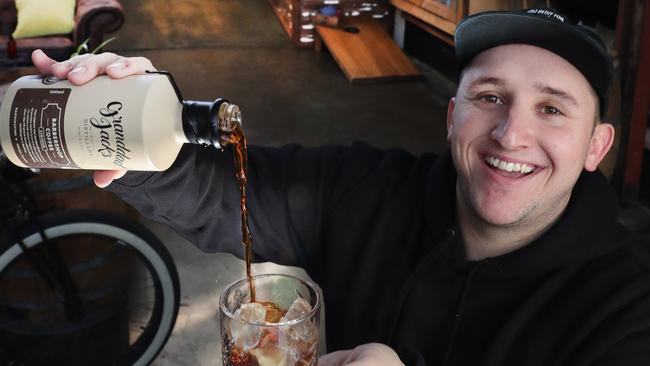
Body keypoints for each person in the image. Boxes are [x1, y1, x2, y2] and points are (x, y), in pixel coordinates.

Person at [31, 8, 650, 366]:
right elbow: (224, 193)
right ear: (451, 115)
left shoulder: (626, 311)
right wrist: (122, 135)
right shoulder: (368, 190)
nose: (511, 134)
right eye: (489, 98)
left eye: (553, 109)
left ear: (597, 147)